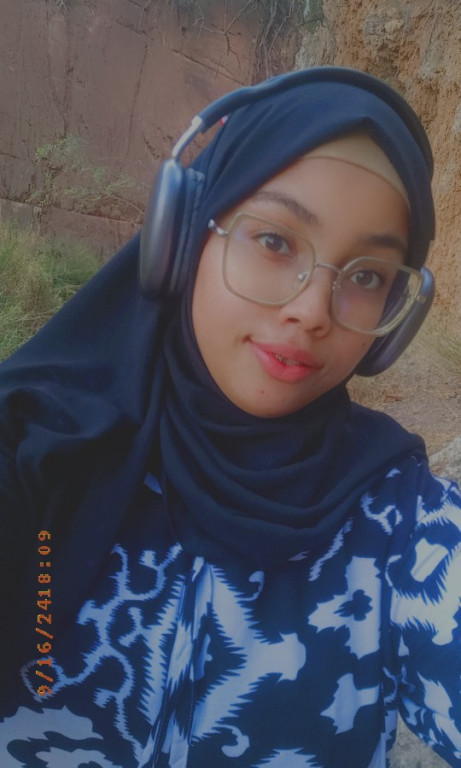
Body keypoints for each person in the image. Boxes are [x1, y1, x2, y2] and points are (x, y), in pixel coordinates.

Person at [0, 67, 460, 768]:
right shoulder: (33, 446)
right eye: (274, 241)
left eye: (366, 275)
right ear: (182, 236)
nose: (311, 310)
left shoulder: (399, 524)